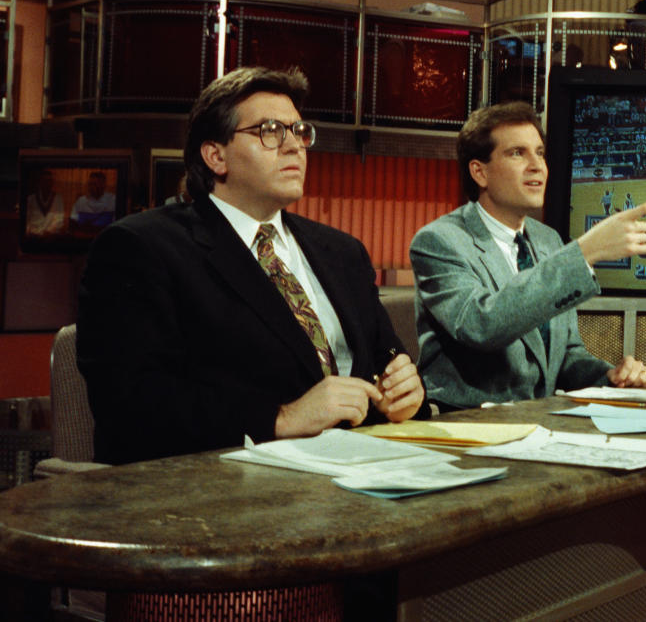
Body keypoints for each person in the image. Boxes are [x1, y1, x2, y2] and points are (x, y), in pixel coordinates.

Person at [78, 67, 425, 465]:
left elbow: (386, 361)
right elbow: (130, 403)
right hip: (219, 490)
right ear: (216, 155)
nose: (294, 146)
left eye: (299, 131)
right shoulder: (140, 248)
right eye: (271, 130)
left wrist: (405, 392)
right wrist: (280, 418)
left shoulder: (342, 252)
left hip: (366, 470)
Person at [411, 102, 646, 410]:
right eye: (517, 153)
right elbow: (482, 325)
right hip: (468, 429)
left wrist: (608, 378)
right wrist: (585, 251)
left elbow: (565, 354)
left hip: (538, 425)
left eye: (540, 152)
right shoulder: (439, 242)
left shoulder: (548, 240)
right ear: (479, 172)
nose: (537, 166)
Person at [25, 169, 66, 236]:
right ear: (40, 182)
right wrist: (30, 231)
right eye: (45, 180)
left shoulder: (58, 198)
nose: (48, 183)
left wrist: (49, 232)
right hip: (33, 236)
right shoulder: (31, 199)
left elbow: (59, 219)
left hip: (50, 237)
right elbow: (26, 219)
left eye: (50, 181)